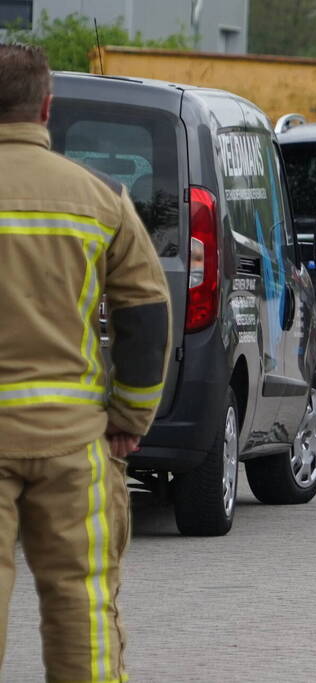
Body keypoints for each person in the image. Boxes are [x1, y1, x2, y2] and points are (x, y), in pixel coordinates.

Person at [0, 44, 171, 681]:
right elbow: (147, 314)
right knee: (81, 602)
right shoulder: (98, 199)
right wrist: (131, 414)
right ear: (46, 107)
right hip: (72, 440)